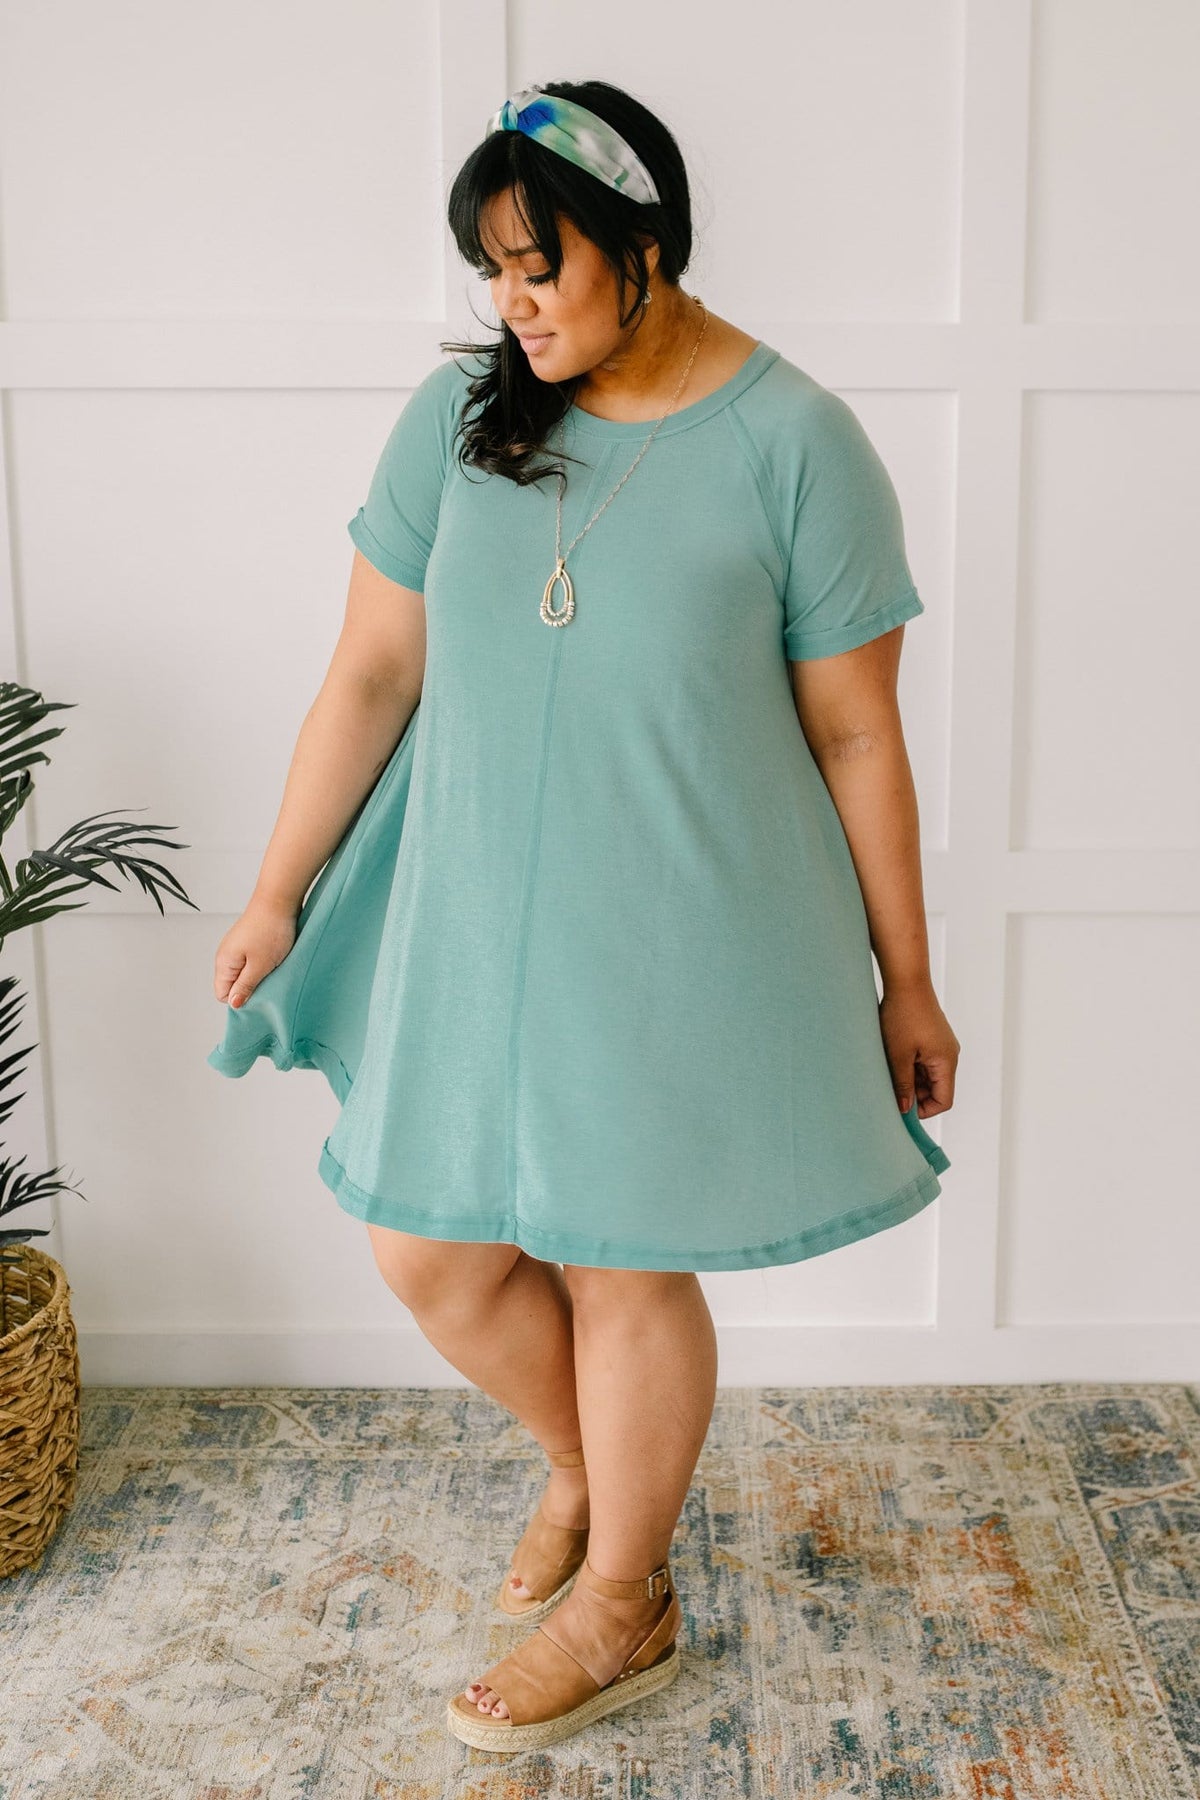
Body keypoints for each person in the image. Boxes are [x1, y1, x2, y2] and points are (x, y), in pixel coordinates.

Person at [209, 79, 959, 1753]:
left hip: (687, 918)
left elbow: (858, 733)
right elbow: (374, 671)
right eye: (492, 271)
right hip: (474, 906)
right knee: (431, 1249)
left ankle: (625, 1601)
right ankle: (586, 1467)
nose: (514, 305)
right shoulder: (458, 419)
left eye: (539, 266)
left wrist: (907, 979)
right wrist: (276, 888)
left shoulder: (795, 441)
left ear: (647, 244)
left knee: (620, 1257)